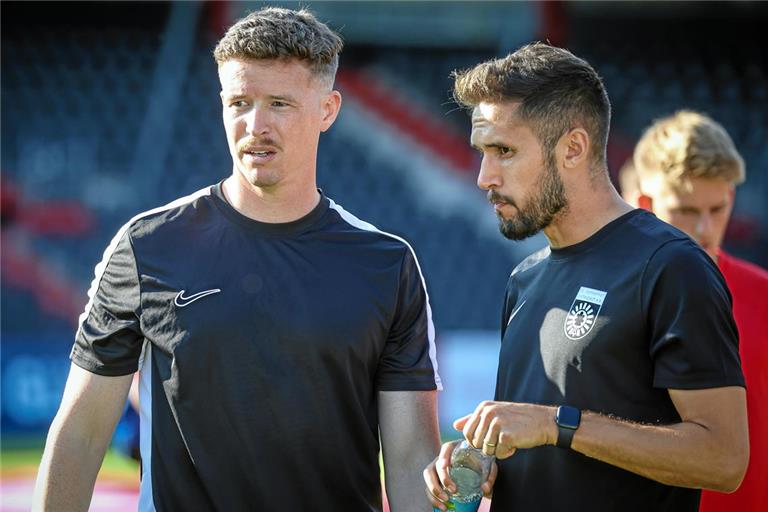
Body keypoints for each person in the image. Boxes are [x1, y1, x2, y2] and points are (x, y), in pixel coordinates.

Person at [33, 8, 441, 511]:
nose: (256, 125)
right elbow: (80, 433)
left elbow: (409, 458)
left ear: (328, 110)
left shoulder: (387, 264)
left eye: (280, 104)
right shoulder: (145, 245)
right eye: (239, 102)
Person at [423, 43, 748, 512]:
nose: (484, 176)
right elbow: (542, 448)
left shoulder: (670, 266)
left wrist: (560, 424)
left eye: (504, 151)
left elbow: (724, 459)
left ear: (573, 148)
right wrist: (479, 462)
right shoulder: (525, 279)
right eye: (482, 152)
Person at [631, 110, 768, 512]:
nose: (706, 228)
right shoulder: (612, 299)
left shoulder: (764, 295)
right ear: (645, 202)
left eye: (718, 208)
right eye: (687, 211)